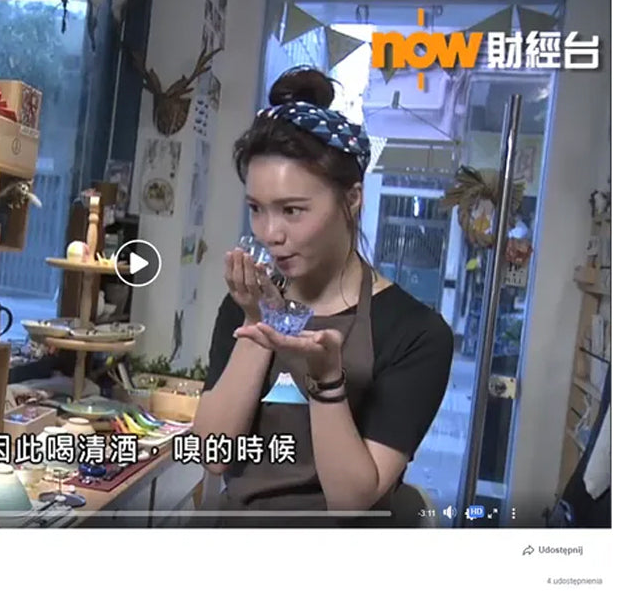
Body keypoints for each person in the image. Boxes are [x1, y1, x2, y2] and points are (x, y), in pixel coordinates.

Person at [192, 67, 454, 527]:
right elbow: (213, 455)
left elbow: (351, 500)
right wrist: (259, 323)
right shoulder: (245, 303)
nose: (270, 233)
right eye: (256, 209)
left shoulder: (415, 333)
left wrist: (328, 381)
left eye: (292, 210)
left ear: (351, 199)